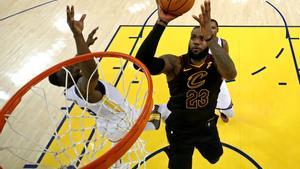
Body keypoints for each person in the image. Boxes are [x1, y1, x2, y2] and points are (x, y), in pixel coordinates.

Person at [135, 0, 237, 168]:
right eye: (193, 37)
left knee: (215, 157)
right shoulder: (175, 64)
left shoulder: (216, 64)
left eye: (202, 38)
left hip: (206, 126)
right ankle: (164, 114)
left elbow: (231, 73)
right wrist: (161, 22)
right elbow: (141, 64)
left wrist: (211, 39)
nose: (196, 41)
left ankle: (164, 110)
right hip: (180, 131)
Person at [48, 6, 160, 144]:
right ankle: (150, 125)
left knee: (119, 159)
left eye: (68, 66)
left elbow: (76, 62)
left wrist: (85, 44)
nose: (71, 66)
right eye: (67, 70)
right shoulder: (82, 88)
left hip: (107, 124)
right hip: (123, 120)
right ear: (65, 80)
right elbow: (92, 74)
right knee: (162, 110)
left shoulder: (70, 85)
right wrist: (78, 35)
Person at [210, 18, 234, 123]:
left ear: (217, 29)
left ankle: (223, 110)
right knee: (205, 98)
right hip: (203, 74)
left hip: (218, 75)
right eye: (208, 28)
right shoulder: (199, 42)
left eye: (213, 28)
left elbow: (226, 59)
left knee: (222, 97)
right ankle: (211, 112)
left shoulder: (223, 43)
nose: (211, 30)